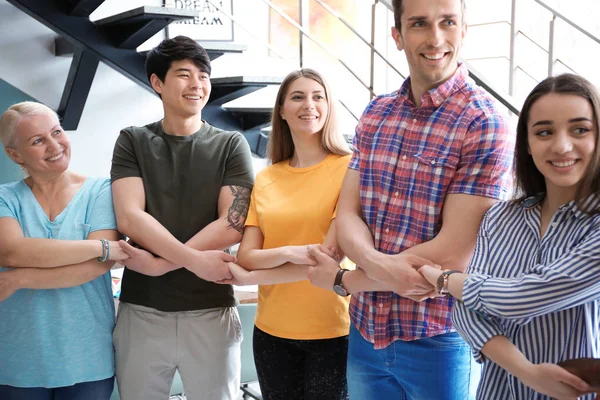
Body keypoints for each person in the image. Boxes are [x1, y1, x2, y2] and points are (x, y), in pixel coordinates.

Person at [313, 0, 515, 398]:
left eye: (448, 22)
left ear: (464, 29)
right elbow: (347, 213)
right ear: (398, 36)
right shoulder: (376, 113)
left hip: (440, 336)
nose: (436, 38)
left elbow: (454, 251)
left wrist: (346, 280)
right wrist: (377, 265)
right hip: (366, 330)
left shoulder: (484, 121)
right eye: (420, 23)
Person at [418, 73, 600, 400]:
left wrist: (444, 279)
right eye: (544, 131)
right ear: (527, 144)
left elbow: (522, 296)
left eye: (580, 129)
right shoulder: (500, 217)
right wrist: (528, 374)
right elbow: (465, 312)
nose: (561, 145)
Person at [110, 36, 254, 400]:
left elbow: (233, 223)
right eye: (184, 74)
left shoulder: (230, 144)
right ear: (157, 83)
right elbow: (129, 218)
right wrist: (190, 261)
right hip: (141, 310)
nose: (197, 85)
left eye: (204, 76)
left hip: (211, 310)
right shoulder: (133, 140)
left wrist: (161, 264)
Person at [227, 68, 352, 400]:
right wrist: (288, 252)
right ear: (281, 110)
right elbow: (246, 256)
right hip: (271, 332)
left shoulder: (349, 168)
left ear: (329, 107)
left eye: (317, 96)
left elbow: (330, 261)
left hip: (333, 331)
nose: (308, 105)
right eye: (297, 97)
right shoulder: (267, 177)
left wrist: (252, 275)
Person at [0, 101, 128, 399]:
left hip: (88, 358)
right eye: (38, 141)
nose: (54, 145)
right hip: (18, 361)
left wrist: (16, 279)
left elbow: (96, 267)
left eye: (56, 132)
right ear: (14, 154)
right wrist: (101, 246)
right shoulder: (5, 198)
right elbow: (13, 253)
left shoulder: (101, 190)